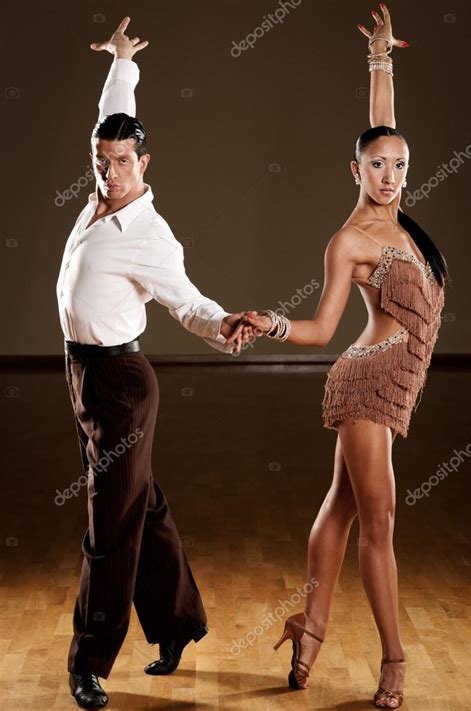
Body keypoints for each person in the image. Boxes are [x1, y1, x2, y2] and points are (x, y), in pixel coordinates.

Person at [227, 4, 449, 708]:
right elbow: (323, 329)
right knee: (379, 524)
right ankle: (393, 661)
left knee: (343, 505)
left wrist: (380, 58)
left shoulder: (399, 219)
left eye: (400, 165)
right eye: (376, 166)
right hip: (366, 384)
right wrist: (269, 323)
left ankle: (309, 627)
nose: (390, 175)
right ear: (352, 170)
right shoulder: (351, 238)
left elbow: (382, 124)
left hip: (394, 389)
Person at [57, 17, 248, 710]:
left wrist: (220, 322)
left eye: (121, 162)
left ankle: (90, 661)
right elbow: (119, 113)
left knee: (109, 523)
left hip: (121, 386)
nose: (108, 172)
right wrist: (122, 62)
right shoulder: (105, 182)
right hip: (82, 374)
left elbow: (187, 301)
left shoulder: (152, 235)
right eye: (99, 160)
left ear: (146, 165)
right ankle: (179, 625)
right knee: (142, 504)